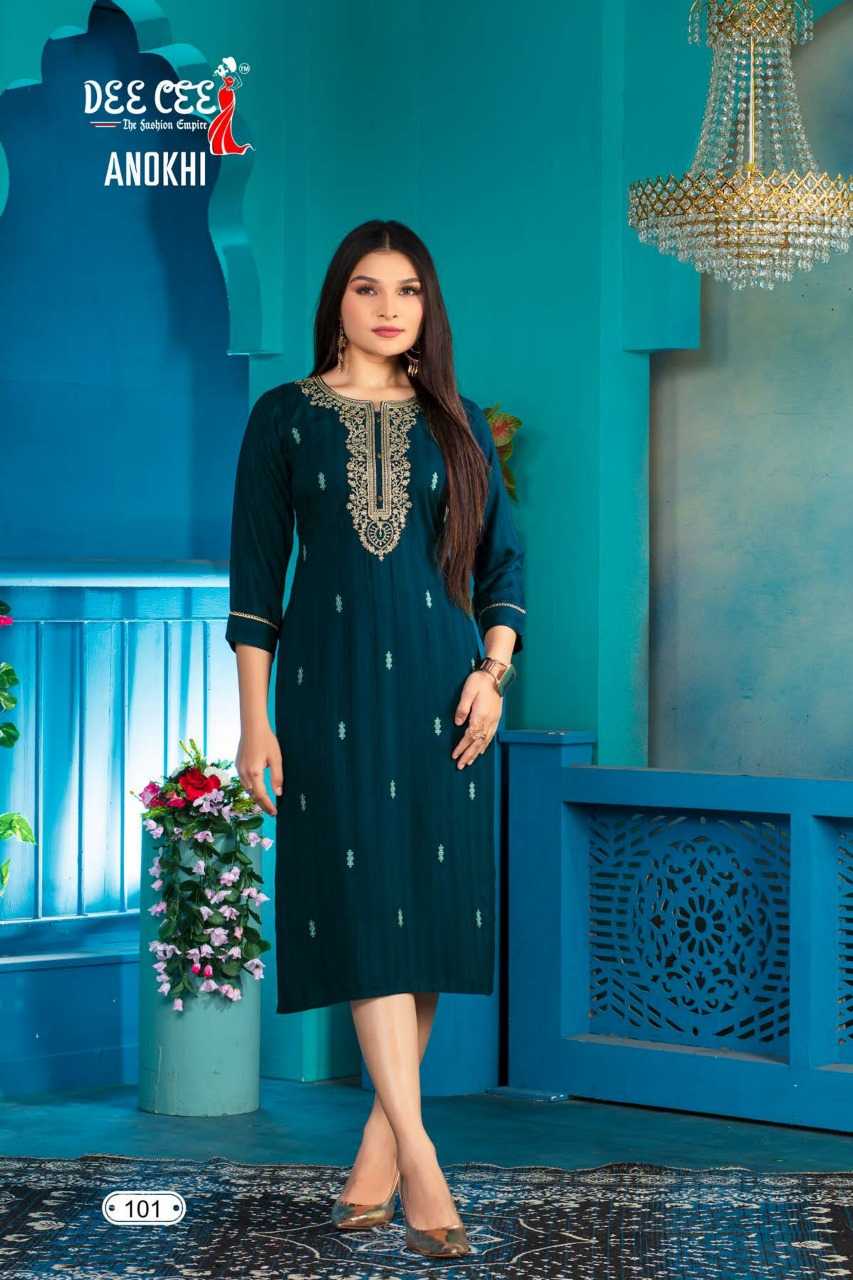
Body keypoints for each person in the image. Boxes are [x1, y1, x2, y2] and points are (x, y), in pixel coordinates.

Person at [225, 219, 526, 1258]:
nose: (389, 307)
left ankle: (378, 1149)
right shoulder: (284, 417)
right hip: (328, 690)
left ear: (426, 306)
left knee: (422, 912)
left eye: (407, 290)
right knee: (365, 911)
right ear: (337, 301)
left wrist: (491, 675)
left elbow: (504, 563)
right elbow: (255, 584)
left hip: (443, 692)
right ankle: (423, 1157)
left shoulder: (459, 423)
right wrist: (255, 722)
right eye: (367, 287)